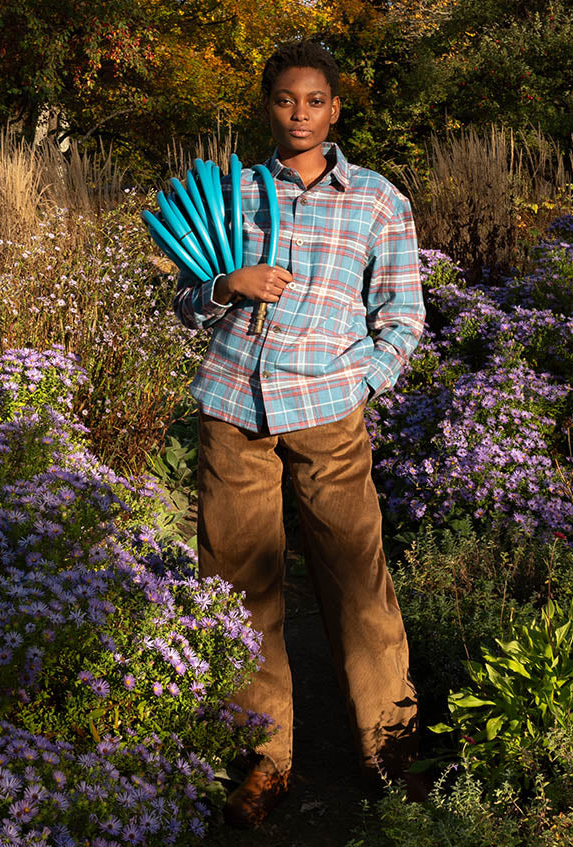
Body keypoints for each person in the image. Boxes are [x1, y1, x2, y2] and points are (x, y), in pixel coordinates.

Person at [173, 40, 426, 828]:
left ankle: (389, 750)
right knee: (239, 588)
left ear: (335, 108)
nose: (299, 114)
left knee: (356, 580)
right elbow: (186, 300)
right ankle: (262, 760)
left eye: (314, 100)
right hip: (233, 407)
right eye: (285, 99)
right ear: (267, 106)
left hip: (325, 409)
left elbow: (402, 315)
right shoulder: (234, 193)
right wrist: (225, 284)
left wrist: (360, 382)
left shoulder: (376, 199)